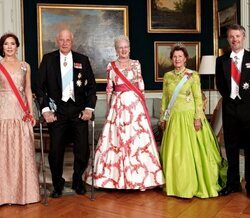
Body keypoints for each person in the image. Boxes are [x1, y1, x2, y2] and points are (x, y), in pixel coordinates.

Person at [84, 35, 164, 190]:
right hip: (118, 105)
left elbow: (140, 84)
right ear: (116, 50)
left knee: (137, 140)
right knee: (115, 141)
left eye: (125, 47)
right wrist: (109, 110)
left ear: (129, 48)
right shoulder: (111, 66)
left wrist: (142, 106)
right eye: (120, 47)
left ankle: (141, 180)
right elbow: (109, 89)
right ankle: (110, 179)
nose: (123, 50)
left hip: (135, 106)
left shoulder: (136, 64)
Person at [36, 29, 96, 198]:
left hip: (78, 112)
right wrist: (46, 111)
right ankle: (57, 184)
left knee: (83, 150)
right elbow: (39, 88)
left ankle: (77, 180)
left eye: (67, 40)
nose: (64, 43)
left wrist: (89, 109)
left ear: (72, 41)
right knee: (55, 152)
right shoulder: (48, 59)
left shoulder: (82, 60)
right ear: (57, 41)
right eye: (61, 40)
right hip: (57, 112)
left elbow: (91, 87)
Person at [160, 44, 226, 198]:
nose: (177, 59)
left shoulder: (193, 75)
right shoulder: (168, 76)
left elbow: (198, 99)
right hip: (174, 119)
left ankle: (194, 185)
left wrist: (197, 118)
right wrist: (163, 117)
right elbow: (165, 99)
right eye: (175, 57)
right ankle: (176, 185)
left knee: (192, 153)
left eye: (180, 57)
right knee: (174, 154)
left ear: (185, 59)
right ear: (171, 59)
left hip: (190, 118)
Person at [0, 33, 40, 205]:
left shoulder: (25, 66)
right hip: (3, 112)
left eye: (12, 44)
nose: (9, 47)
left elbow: (28, 89)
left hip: (21, 112)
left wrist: (31, 113)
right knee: (4, 153)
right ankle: (5, 195)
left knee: (22, 153)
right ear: (2, 47)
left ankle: (25, 194)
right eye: (6, 44)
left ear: (17, 46)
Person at [216, 24, 250, 196]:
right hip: (229, 111)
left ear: (243, 37)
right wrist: (231, 99)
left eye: (237, 36)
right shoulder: (221, 60)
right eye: (231, 36)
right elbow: (220, 85)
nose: (235, 39)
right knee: (231, 148)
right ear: (228, 39)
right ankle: (233, 183)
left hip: (248, 111)